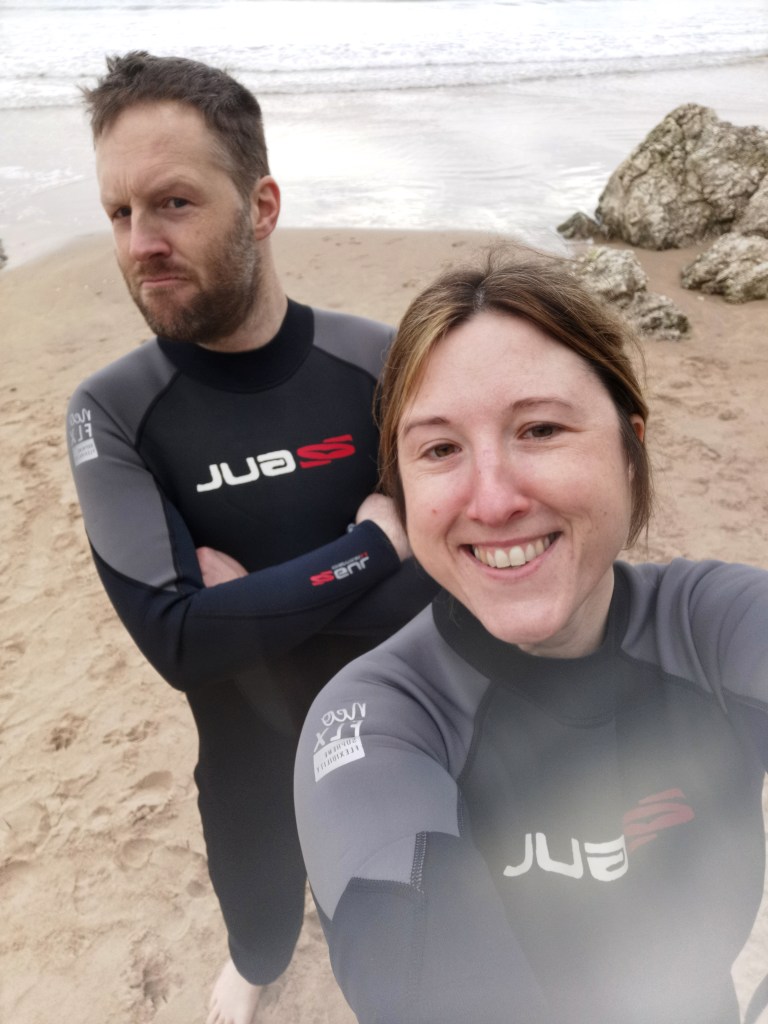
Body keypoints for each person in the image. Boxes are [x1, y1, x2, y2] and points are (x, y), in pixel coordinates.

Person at [294, 246, 768, 1024]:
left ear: (631, 451)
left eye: (540, 429)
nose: (492, 500)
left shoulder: (718, 627)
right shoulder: (381, 721)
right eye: (440, 449)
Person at [66, 51, 435, 1024]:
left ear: (261, 206)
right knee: (260, 921)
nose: (141, 242)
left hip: (407, 725)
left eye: (173, 203)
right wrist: (372, 548)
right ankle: (259, 960)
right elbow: (179, 643)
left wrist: (243, 602)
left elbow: (458, 570)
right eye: (119, 212)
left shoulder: (379, 360)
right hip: (245, 750)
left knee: (400, 937)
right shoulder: (114, 411)